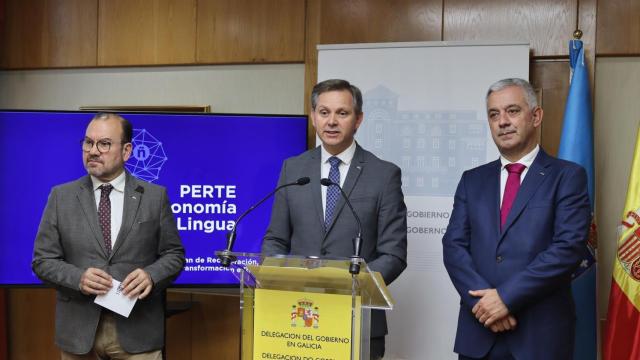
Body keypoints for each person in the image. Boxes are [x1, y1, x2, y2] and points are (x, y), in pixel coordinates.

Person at [442, 78, 591, 360]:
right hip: (479, 332)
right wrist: (485, 305)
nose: (502, 122)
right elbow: (453, 246)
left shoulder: (567, 176)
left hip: (540, 337)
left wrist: (505, 299)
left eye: (512, 111)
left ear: (535, 116)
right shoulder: (472, 180)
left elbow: (567, 248)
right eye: (494, 114)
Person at [262, 79, 408, 359]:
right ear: (314, 117)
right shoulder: (293, 168)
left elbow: (394, 254)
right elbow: (275, 239)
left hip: (358, 318)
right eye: (324, 112)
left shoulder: (383, 175)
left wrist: (349, 287)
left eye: (342, 113)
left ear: (359, 119)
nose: (331, 121)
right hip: (298, 317)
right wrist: (279, 274)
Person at [32, 113, 185, 359]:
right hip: (78, 334)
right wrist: (78, 278)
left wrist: (152, 276)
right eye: (88, 143)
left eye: (104, 144)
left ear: (126, 151)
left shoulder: (154, 197)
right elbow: (42, 261)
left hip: (138, 332)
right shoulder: (61, 197)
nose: (93, 151)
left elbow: (174, 254)